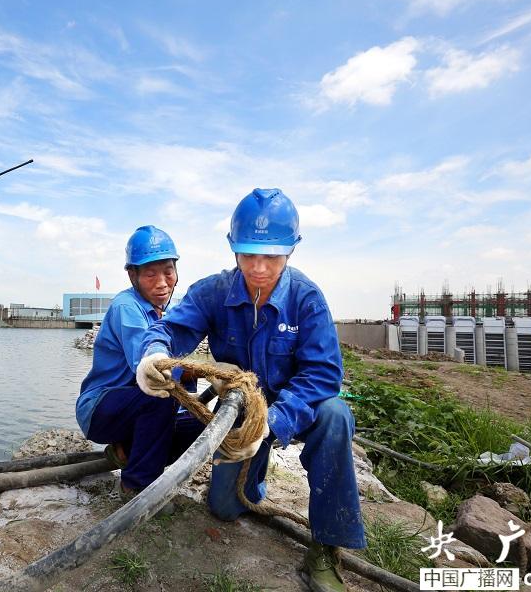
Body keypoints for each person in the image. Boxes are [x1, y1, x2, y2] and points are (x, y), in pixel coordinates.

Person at [136, 189, 365, 592]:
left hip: (295, 409)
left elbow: (323, 374)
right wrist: (153, 354)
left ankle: (326, 547)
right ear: (233, 248)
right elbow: (171, 329)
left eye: (271, 257)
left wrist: (272, 422)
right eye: (248, 255)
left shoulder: (306, 299)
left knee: (335, 415)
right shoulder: (213, 292)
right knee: (225, 508)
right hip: (238, 411)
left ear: (291, 249)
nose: (258, 268)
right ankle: (252, 481)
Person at [76, 226, 204, 503]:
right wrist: (196, 370)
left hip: (132, 407)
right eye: (150, 274)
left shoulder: (165, 311)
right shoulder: (127, 307)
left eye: (168, 271)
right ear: (132, 275)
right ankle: (136, 487)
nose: (162, 283)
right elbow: (149, 371)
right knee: (160, 392)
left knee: (200, 423)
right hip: (101, 408)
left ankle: (128, 450)